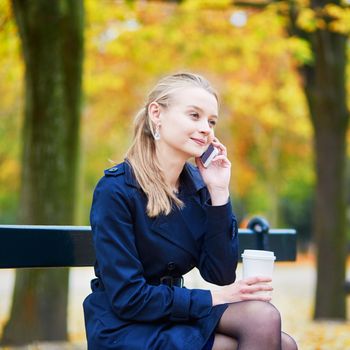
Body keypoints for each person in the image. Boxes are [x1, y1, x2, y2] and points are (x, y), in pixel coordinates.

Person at [83, 72, 298, 350]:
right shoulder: (116, 190)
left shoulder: (197, 188)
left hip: (173, 315)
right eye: (194, 116)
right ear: (156, 114)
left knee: (274, 331)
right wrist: (214, 297)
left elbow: (220, 275)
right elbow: (128, 298)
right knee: (264, 327)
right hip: (125, 326)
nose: (206, 128)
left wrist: (219, 193)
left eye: (211, 121)